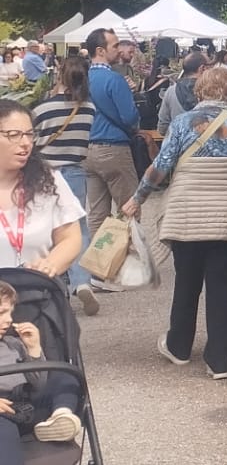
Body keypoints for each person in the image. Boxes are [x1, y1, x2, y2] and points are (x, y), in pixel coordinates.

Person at [122, 66, 227, 380]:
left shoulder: (181, 124)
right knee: (223, 288)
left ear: (200, 91)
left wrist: (138, 198)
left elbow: (160, 167)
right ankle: (219, 361)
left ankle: (178, 347)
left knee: (186, 283)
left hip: (187, 214)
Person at [0, 100, 88, 446]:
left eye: (29, 134)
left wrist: (52, 264)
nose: (25, 143)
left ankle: (60, 412)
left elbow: (71, 238)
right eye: (14, 135)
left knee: (56, 351)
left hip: (37, 293)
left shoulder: (47, 180)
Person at [33, 56, 100, 315]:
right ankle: (82, 282)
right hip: (74, 172)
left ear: (60, 74)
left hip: (45, 173)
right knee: (77, 229)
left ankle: (57, 285)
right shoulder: (89, 109)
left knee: (48, 230)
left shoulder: (42, 109)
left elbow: (32, 141)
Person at [0, 281, 84, 454]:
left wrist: (33, 349)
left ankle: (59, 417)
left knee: (65, 375)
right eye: (2, 313)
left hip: (29, 404)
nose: (9, 319)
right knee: (5, 434)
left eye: (10, 313)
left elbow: (39, 384)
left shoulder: (14, 344)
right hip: (4, 413)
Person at [82, 29, 140, 244]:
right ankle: (129, 257)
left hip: (87, 149)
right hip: (113, 148)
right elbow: (129, 117)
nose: (119, 49)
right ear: (100, 50)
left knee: (97, 213)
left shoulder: (82, 79)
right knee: (129, 208)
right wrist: (130, 95)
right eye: (115, 46)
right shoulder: (115, 80)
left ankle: (99, 258)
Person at [158, 51, 208, 137]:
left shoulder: (171, 91)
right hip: (207, 143)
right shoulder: (213, 92)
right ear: (202, 68)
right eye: (210, 66)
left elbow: (163, 127)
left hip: (179, 142)